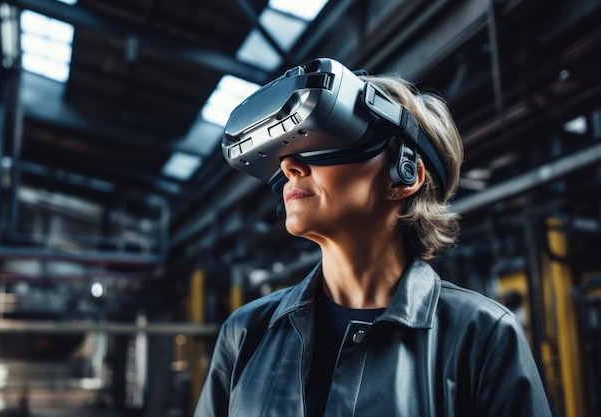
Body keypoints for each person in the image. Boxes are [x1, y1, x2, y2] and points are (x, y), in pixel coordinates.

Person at [194, 58, 552, 417]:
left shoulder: (483, 337)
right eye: (284, 153)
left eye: (323, 140)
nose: (289, 167)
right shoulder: (245, 333)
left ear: (404, 175)